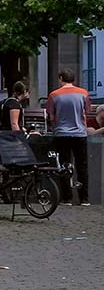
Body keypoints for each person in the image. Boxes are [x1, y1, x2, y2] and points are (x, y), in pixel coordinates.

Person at [48, 69, 90, 206]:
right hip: (80, 133)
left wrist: (56, 125)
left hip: (62, 134)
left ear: (61, 78)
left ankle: (67, 198)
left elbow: (51, 116)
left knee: (64, 165)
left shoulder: (54, 95)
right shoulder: (83, 93)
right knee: (82, 166)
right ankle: (84, 198)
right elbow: (87, 111)